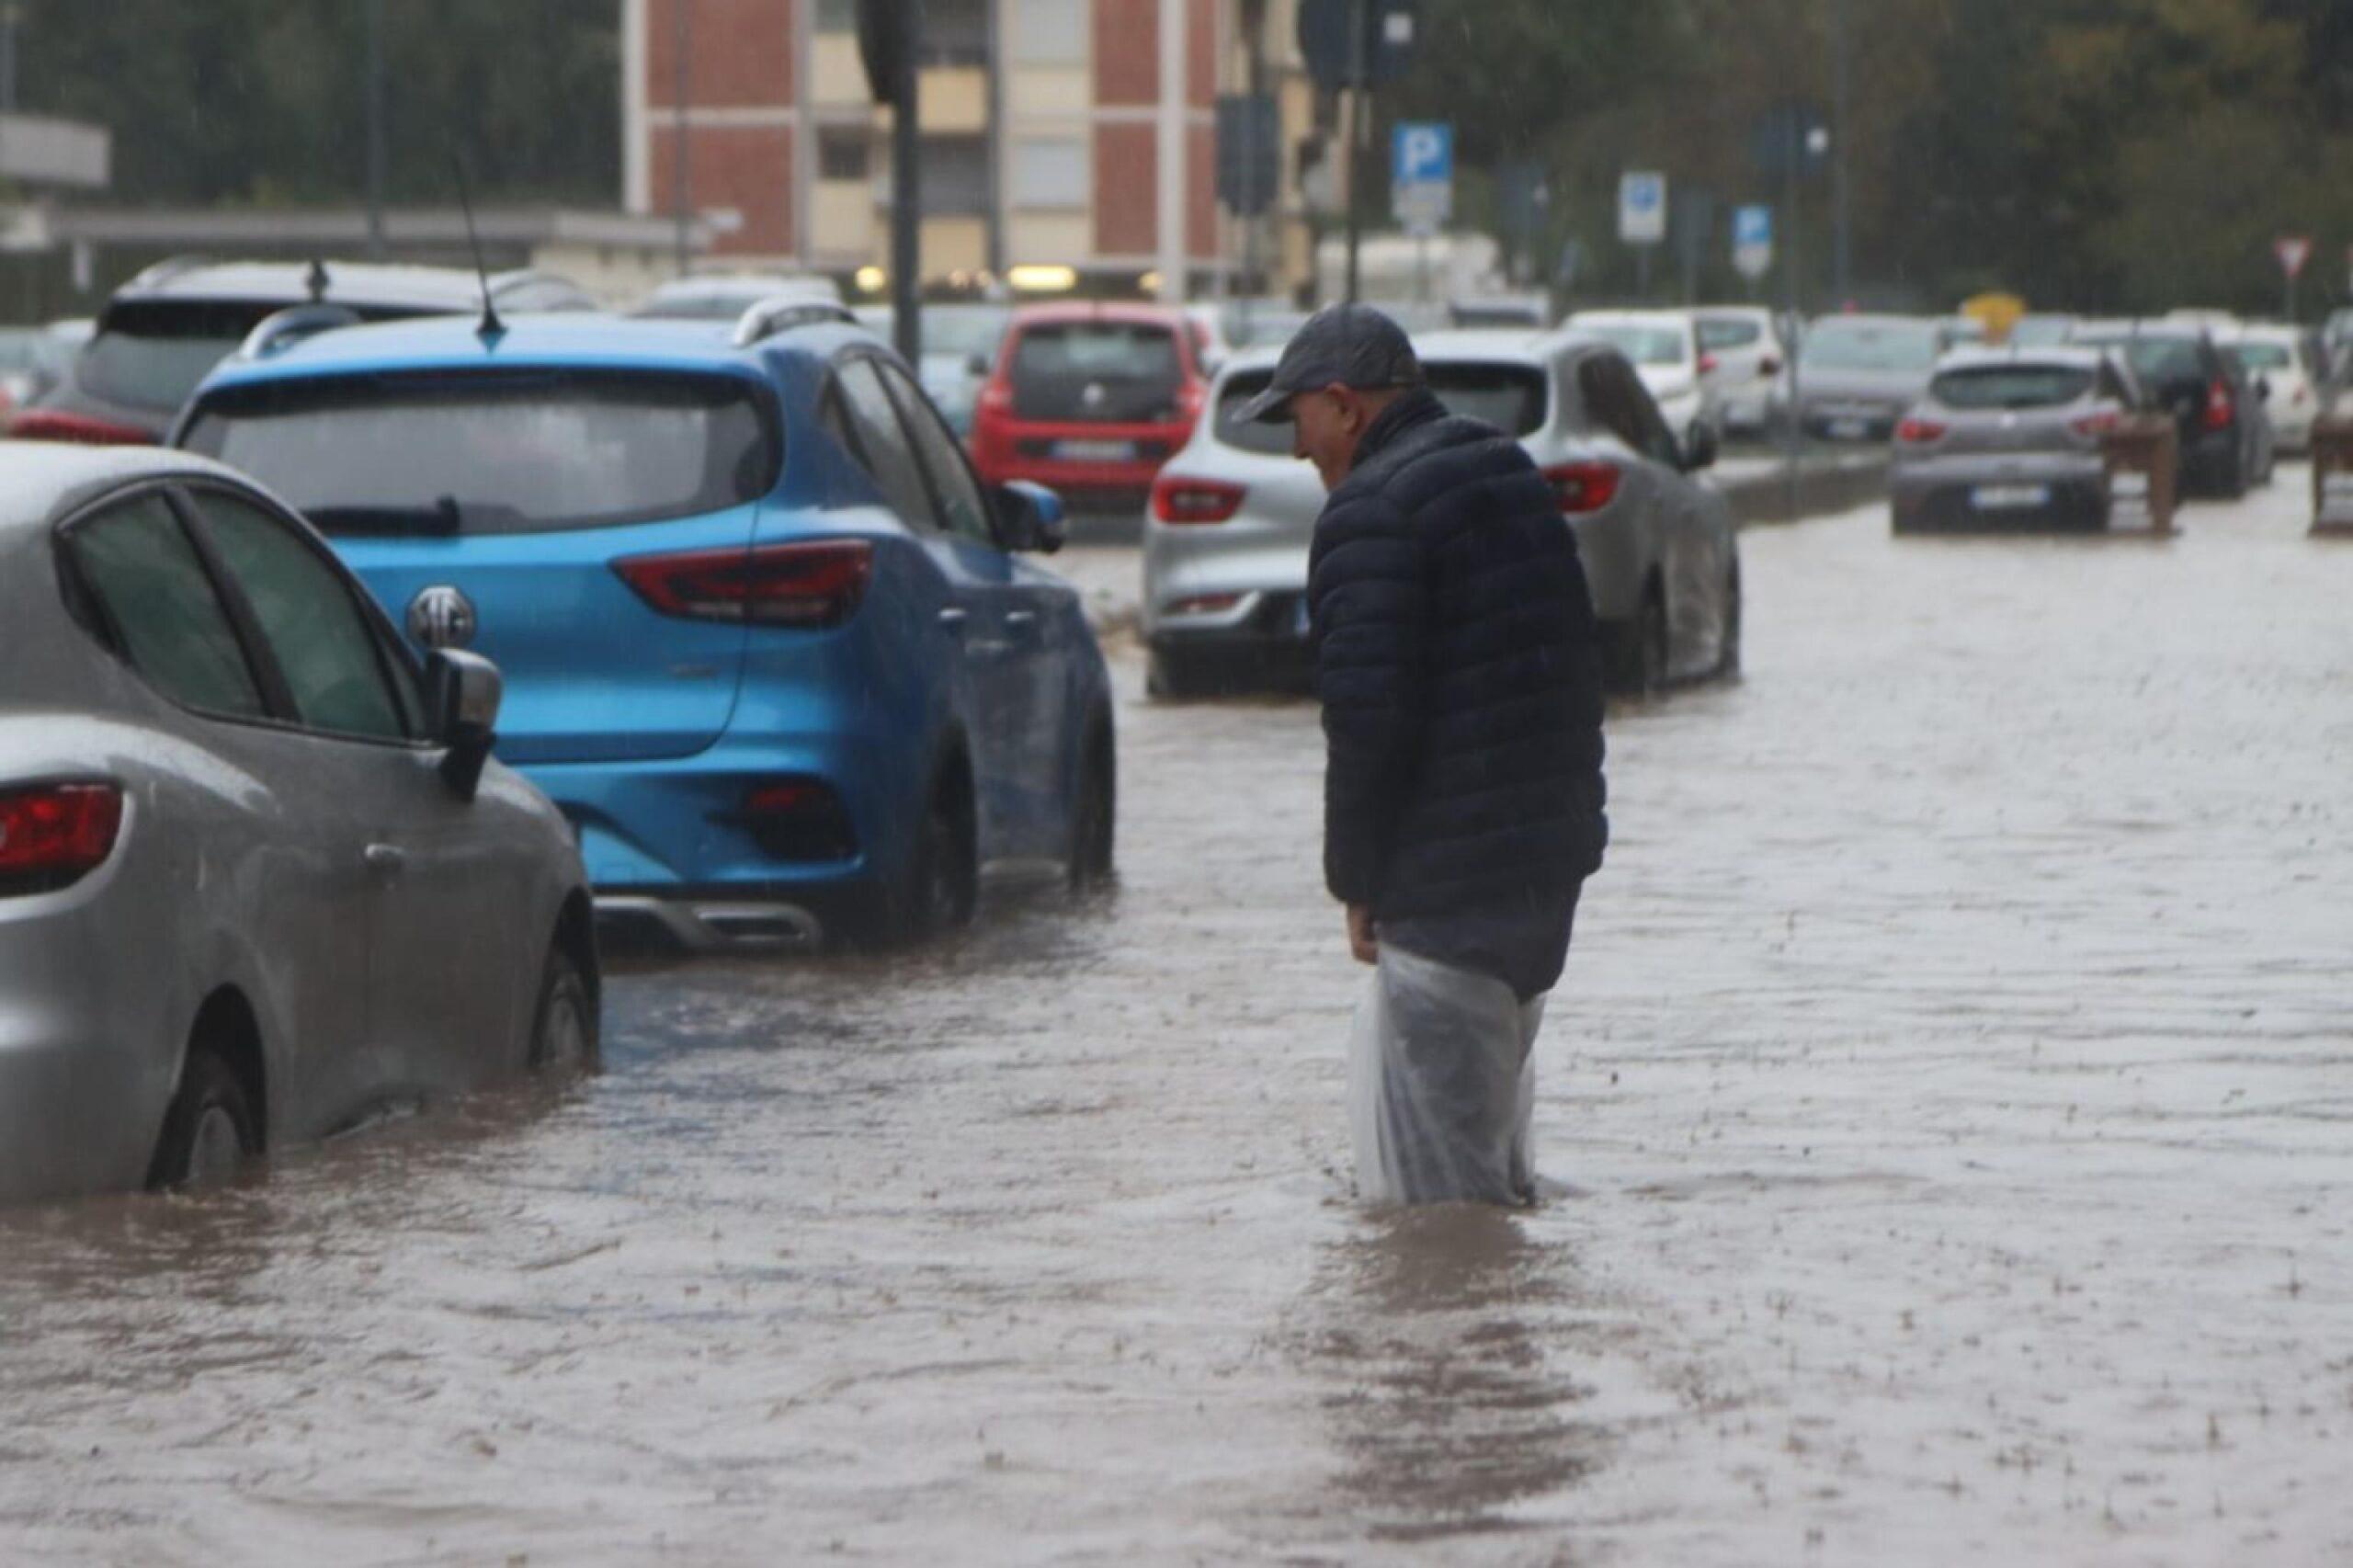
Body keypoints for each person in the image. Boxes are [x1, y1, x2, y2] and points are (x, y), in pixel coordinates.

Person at [1234, 303, 1608, 1206]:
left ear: (1345, 405)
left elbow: (1366, 719)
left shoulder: (1368, 511)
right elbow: (1573, 661)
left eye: (1298, 421)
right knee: (1497, 1178)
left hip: (1447, 893)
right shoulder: (1507, 466)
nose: (1295, 449)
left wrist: (1355, 879)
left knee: (1435, 1220)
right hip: (1541, 883)